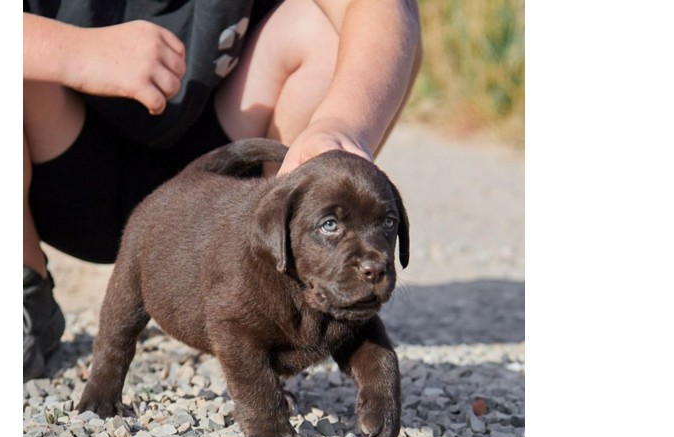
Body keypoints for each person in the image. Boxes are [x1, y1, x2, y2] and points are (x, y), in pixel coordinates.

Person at [23, 0, 422, 381]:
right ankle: (23, 289)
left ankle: (284, 287)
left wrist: (340, 122)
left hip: (229, 192)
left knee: (336, 29)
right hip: (58, 165)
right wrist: (72, 51)